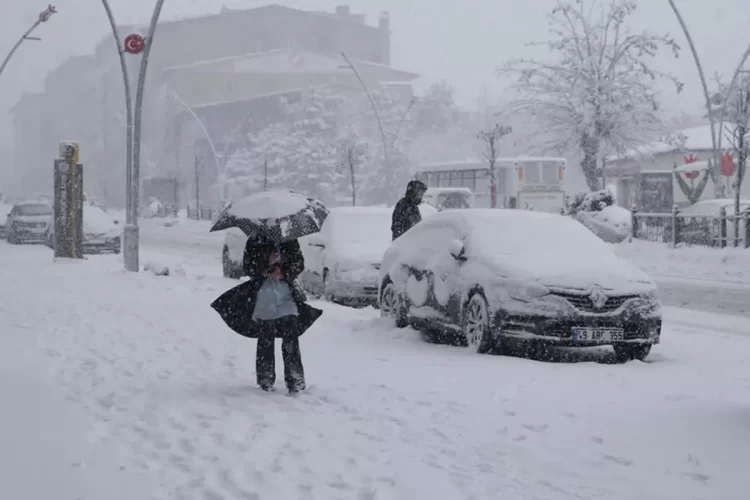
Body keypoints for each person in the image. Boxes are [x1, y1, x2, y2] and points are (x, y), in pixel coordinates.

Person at [211, 237, 322, 395]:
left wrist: (284, 272)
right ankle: (265, 377)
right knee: (266, 336)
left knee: (291, 335)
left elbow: (299, 264)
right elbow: (248, 267)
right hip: (263, 296)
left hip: (286, 296)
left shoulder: (289, 239)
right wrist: (267, 266)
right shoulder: (255, 240)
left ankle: (295, 377)